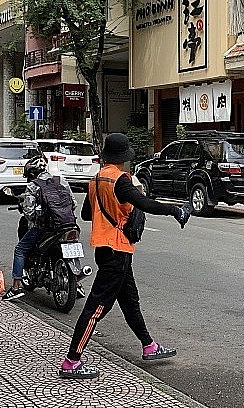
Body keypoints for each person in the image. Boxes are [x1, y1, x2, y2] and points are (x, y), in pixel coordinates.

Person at [59, 133, 192, 380]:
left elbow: (88, 214)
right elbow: (144, 203)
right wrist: (175, 210)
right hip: (116, 251)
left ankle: (149, 345)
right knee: (96, 308)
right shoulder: (120, 180)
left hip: (106, 249)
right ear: (123, 158)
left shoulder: (96, 179)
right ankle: (71, 361)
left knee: (130, 300)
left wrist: (108, 209)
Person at [3, 156, 78, 300]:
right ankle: (77, 285)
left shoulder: (33, 186)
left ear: (32, 173)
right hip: (68, 224)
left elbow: (30, 213)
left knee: (20, 249)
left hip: (45, 228)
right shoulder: (61, 180)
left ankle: (16, 287)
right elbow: (73, 204)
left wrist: (32, 213)